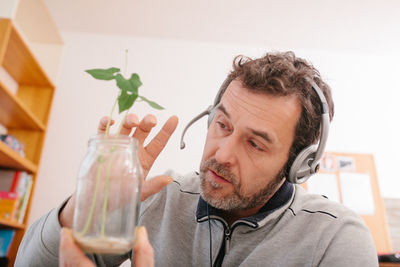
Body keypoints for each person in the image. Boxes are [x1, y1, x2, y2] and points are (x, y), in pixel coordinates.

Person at [15, 51, 378, 266]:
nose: (221, 154)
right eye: (222, 124)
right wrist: (79, 211)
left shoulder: (337, 238)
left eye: (255, 144)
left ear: (299, 163)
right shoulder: (158, 197)